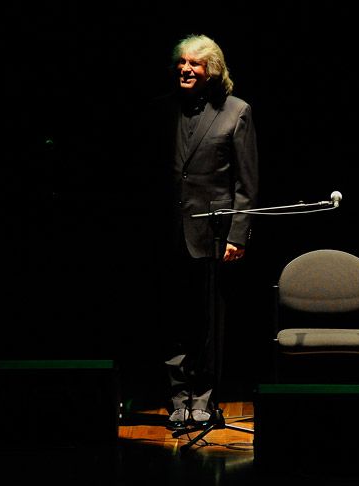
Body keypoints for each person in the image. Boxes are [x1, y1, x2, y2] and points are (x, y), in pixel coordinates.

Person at [145, 34, 258, 428]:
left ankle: (205, 401)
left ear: (212, 70)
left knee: (209, 325)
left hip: (213, 237)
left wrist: (237, 236)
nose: (185, 69)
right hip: (169, 235)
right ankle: (178, 399)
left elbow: (246, 184)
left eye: (195, 63)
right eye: (182, 62)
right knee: (172, 321)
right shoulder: (162, 110)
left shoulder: (236, 112)